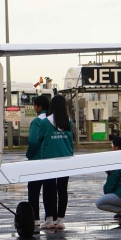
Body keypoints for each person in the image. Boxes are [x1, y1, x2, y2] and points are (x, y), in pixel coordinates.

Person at [38, 96, 75, 231]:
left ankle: (49, 219)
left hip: (49, 159)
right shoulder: (68, 122)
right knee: (62, 190)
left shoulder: (45, 122)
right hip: (66, 159)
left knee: (49, 189)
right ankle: (60, 220)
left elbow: (39, 138)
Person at [24, 93, 52, 230]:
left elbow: (33, 141)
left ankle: (35, 219)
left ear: (39, 107)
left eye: (34, 105)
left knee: (34, 191)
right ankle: (50, 218)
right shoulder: (53, 119)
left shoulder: (37, 121)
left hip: (37, 160)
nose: (34, 107)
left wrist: (29, 154)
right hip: (51, 160)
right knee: (49, 190)